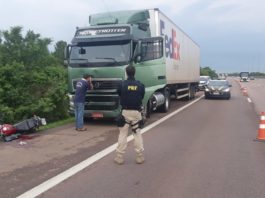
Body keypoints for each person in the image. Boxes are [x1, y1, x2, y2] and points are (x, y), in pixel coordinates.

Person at [114, 65, 145, 165]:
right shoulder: (140, 85)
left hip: (125, 112)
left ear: (126, 73)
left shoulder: (122, 84)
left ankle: (119, 157)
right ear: (134, 73)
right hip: (136, 113)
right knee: (137, 134)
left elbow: (119, 94)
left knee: (123, 134)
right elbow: (142, 95)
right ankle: (139, 157)